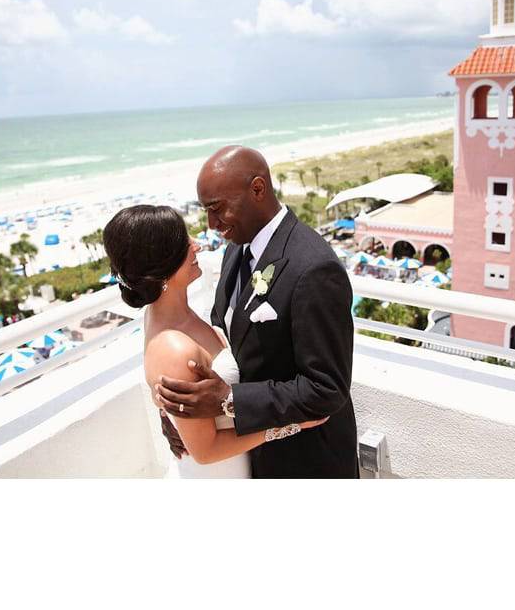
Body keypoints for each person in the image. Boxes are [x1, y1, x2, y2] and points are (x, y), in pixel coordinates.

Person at [155, 146, 359, 478]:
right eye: (206, 211)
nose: (211, 224)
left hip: (307, 461)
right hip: (251, 454)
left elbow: (327, 390)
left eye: (217, 208)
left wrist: (229, 400)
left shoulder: (314, 268)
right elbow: (230, 341)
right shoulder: (236, 250)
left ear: (258, 189)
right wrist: (183, 416)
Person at [103, 204, 327, 479]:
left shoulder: (165, 314)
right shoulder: (175, 347)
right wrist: (288, 425)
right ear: (162, 264)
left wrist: (170, 415)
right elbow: (206, 451)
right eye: (184, 242)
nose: (196, 246)